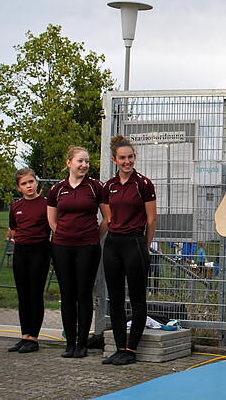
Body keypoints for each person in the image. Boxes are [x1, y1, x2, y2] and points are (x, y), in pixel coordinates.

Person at [101, 135, 157, 365]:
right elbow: (107, 218)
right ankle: (119, 347)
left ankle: (131, 350)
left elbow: (152, 219)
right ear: (115, 160)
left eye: (130, 157)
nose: (127, 161)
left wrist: (144, 245)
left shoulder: (143, 184)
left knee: (137, 299)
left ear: (135, 157)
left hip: (135, 243)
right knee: (115, 298)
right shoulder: (108, 186)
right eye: (122, 158)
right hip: (113, 244)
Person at [47, 146, 107, 358]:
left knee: (83, 293)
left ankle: (82, 343)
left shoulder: (95, 187)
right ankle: (69, 343)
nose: (84, 165)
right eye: (80, 161)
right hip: (62, 247)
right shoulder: (57, 189)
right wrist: (65, 235)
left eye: (87, 162)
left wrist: (91, 237)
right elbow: (52, 220)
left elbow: (107, 218)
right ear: (69, 163)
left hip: (87, 248)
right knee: (68, 294)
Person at [6, 168, 51, 354]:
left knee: (35, 294)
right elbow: (14, 230)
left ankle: (34, 338)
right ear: (19, 188)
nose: (28, 186)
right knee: (23, 295)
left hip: (40, 251)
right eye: (24, 184)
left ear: (36, 182)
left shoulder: (47, 204)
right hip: (21, 252)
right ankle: (24, 336)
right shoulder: (15, 207)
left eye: (31, 182)